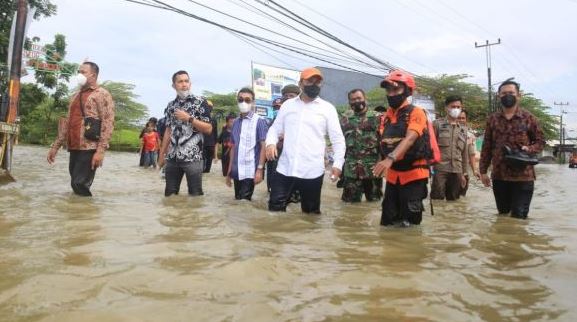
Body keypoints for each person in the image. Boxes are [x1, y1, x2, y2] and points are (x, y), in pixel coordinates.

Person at [265, 67, 345, 214]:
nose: (314, 85)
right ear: (301, 83)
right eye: (310, 81)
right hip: (285, 168)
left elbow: (338, 139)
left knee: (310, 215)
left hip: (312, 171)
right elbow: (275, 129)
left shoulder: (328, 109)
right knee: (274, 210)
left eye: (317, 82)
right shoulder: (288, 105)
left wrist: (338, 164)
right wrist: (270, 143)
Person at [46, 61, 115, 196]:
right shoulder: (75, 96)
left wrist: (100, 151)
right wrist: (55, 147)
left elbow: (108, 122)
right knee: (75, 183)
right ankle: (78, 214)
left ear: (93, 75)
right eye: (79, 72)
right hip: (74, 146)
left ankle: (85, 214)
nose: (79, 75)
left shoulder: (102, 94)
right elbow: (67, 122)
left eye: (83, 72)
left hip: (90, 147)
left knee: (79, 184)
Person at [373, 70, 430, 227]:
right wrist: (382, 162)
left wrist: (390, 159)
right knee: (387, 221)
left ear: (407, 91)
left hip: (414, 175)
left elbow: (411, 138)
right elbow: (383, 143)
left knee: (410, 223)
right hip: (393, 176)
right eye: (388, 90)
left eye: (396, 89)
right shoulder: (386, 116)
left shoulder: (417, 112)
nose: (391, 94)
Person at [479, 80, 544, 219]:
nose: (507, 96)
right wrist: (483, 171)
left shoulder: (529, 118)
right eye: (504, 93)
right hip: (499, 175)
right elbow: (487, 146)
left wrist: (530, 148)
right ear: (498, 96)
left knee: (519, 216)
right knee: (502, 215)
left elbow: (540, 142)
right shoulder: (493, 119)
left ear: (519, 95)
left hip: (523, 176)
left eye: (511, 93)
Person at [158, 70, 213, 196]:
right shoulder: (171, 106)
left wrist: (189, 118)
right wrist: (162, 155)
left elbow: (209, 129)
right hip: (172, 158)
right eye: (180, 81)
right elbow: (168, 131)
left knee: (195, 195)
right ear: (174, 85)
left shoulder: (200, 102)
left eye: (186, 81)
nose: (184, 84)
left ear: (190, 84)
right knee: (170, 195)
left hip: (193, 158)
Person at [340, 88, 382, 202]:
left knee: (374, 203)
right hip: (351, 168)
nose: (356, 101)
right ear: (349, 102)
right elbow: (340, 142)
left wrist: (380, 162)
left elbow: (383, 142)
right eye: (353, 99)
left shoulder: (377, 117)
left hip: (372, 168)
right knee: (349, 204)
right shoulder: (345, 119)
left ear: (365, 99)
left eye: (359, 98)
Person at [225, 88, 268, 200]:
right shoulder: (235, 123)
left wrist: (260, 170)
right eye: (240, 99)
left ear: (253, 102)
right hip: (237, 170)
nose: (243, 102)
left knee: (244, 202)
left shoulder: (260, 121)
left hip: (250, 171)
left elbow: (264, 147)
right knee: (238, 201)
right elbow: (233, 148)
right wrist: (229, 171)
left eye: (247, 100)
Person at [430, 95, 468, 201]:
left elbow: (464, 154)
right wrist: (428, 168)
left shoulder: (463, 130)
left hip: (457, 171)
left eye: (458, 107)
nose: (456, 109)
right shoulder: (437, 125)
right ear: (446, 108)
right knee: (437, 200)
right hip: (440, 170)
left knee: (454, 202)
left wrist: (464, 173)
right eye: (453, 106)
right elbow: (430, 147)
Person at [266, 84, 300, 193]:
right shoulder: (279, 116)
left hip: (295, 156)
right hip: (277, 154)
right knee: (274, 186)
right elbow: (271, 133)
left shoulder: (303, 115)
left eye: (292, 95)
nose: (288, 98)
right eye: (286, 95)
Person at [458, 109, 480, 196]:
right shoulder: (447, 134)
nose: (461, 120)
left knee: (462, 197)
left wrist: (475, 170)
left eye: (463, 118)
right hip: (451, 171)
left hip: (464, 171)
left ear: (466, 119)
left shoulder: (470, 136)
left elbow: (472, 154)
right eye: (458, 118)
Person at [202, 100, 218, 173]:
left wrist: (215, 142)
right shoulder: (201, 119)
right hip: (204, 142)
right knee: (205, 158)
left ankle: (206, 170)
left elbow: (215, 133)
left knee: (208, 158)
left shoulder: (213, 120)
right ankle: (205, 170)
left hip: (209, 143)